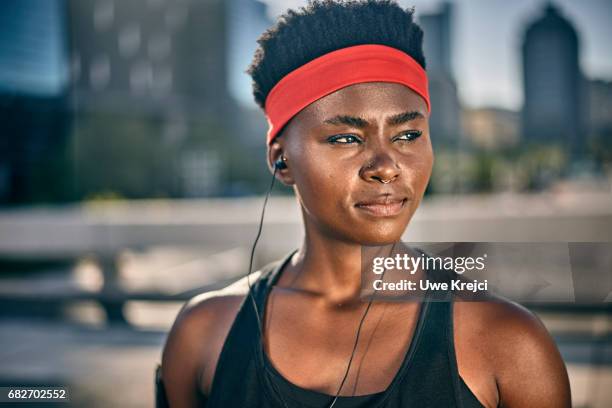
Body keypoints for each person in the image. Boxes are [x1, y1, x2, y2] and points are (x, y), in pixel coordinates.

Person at [156, 1, 572, 407]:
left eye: (408, 135)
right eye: (345, 138)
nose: (386, 167)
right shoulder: (206, 333)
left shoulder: (509, 344)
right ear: (281, 161)